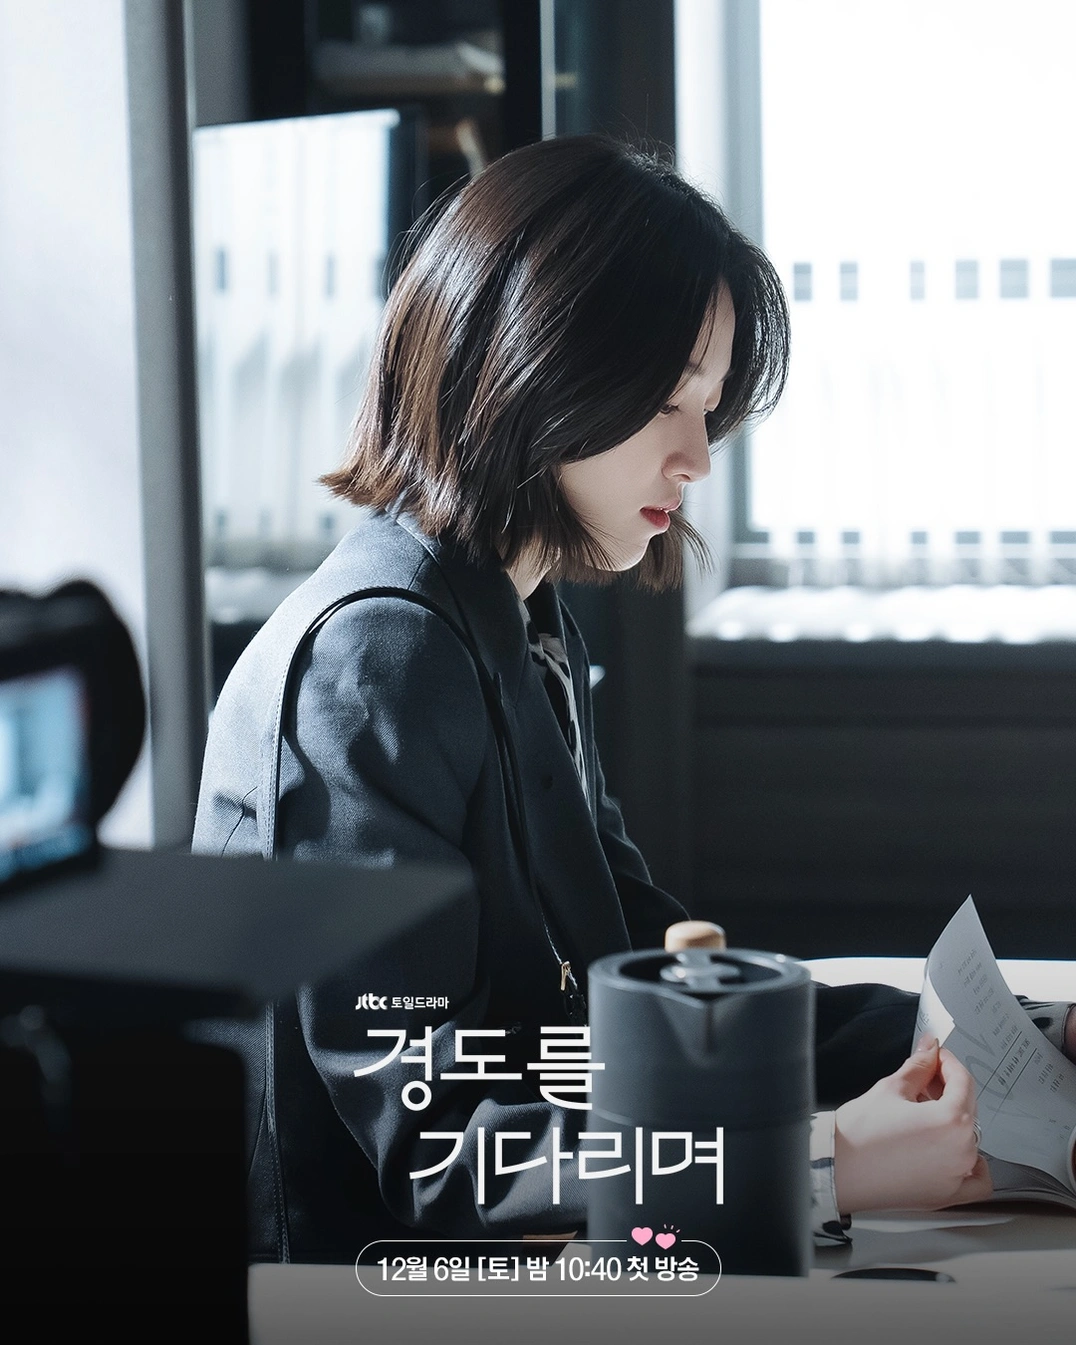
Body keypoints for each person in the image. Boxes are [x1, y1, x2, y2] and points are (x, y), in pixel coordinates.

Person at [193, 134, 1075, 1263]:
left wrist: (998, 1038)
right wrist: (822, 1161)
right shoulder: (373, 660)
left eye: (707, 406)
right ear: (529, 370)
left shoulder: (512, 615)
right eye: (666, 402)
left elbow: (653, 983)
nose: (697, 457)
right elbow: (433, 1146)